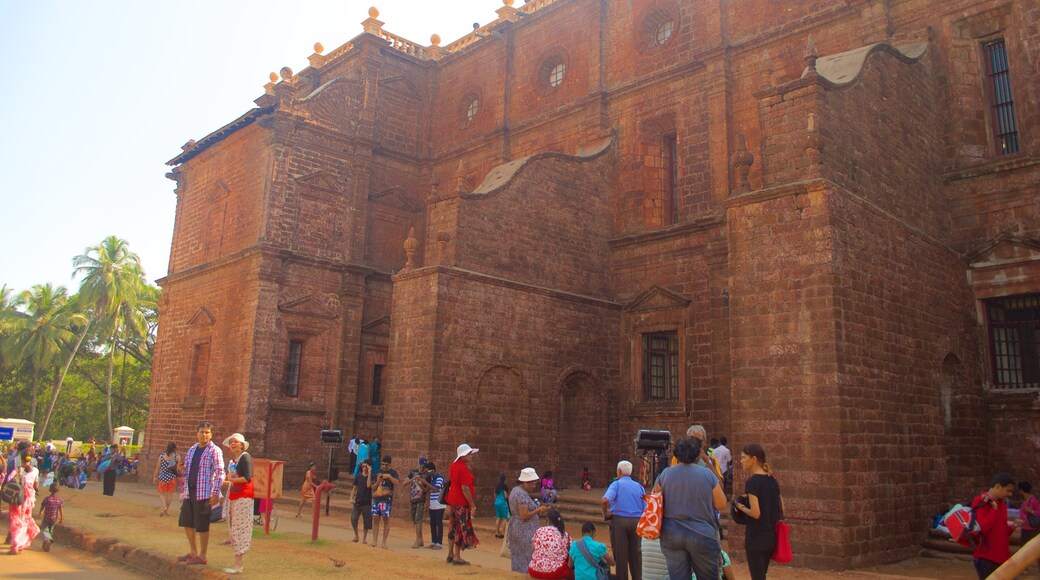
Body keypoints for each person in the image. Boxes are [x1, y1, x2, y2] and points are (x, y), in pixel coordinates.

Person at [654, 435, 727, 580]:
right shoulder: (707, 475)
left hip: (672, 533)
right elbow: (721, 504)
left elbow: (656, 501)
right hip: (702, 533)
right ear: (696, 455)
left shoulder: (666, 475)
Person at [176, 422, 225, 567]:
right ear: (196, 434)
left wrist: (215, 492)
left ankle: (202, 555)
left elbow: (220, 472)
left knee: (202, 525)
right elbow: (188, 470)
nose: (204, 435)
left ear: (211, 435)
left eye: (207, 432)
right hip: (189, 492)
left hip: (204, 492)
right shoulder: (192, 450)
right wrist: (180, 470)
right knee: (187, 522)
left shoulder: (214, 451)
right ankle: (193, 551)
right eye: (202, 432)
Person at [733, 443, 783, 580]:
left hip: (756, 537)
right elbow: (781, 508)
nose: (741, 461)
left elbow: (756, 513)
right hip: (770, 537)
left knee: (757, 577)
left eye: (744, 457)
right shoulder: (772, 479)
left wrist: (740, 506)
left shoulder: (752, 482)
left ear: (753, 459)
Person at [601, 460, 646, 580]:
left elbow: (605, 500)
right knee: (636, 556)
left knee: (621, 557)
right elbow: (645, 507)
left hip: (620, 521)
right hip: (636, 522)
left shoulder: (617, 484)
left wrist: (606, 512)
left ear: (619, 471)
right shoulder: (639, 486)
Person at [969, 473, 1018, 579]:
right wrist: (994, 509)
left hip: (1002, 557)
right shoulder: (980, 501)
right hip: (987, 558)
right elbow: (983, 528)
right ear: (998, 487)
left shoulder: (1002, 504)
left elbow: (1001, 531)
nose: (1009, 494)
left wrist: (1012, 526)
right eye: (1008, 490)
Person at [221, 433, 252, 575]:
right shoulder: (235, 459)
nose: (233, 444)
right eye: (231, 442)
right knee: (234, 527)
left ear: (242, 444)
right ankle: (237, 562)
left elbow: (247, 477)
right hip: (235, 495)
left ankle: (238, 564)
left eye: (236, 442)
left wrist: (231, 479)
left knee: (239, 528)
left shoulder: (245, 457)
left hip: (243, 496)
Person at [510, 467, 550, 573]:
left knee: (519, 557)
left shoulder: (516, 491)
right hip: (524, 531)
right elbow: (524, 516)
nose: (534, 486)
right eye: (532, 484)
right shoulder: (520, 494)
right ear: (526, 483)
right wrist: (538, 510)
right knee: (527, 557)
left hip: (518, 529)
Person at [445, 443, 479, 566]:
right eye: (469, 454)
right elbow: (465, 488)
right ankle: (457, 557)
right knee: (460, 527)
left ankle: (450, 553)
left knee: (453, 526)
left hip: (453, 500)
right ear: (463, 455)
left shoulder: (453, 466)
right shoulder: (463, 468)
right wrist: (472, 505)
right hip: (461, 501)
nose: (471, 456)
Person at [7, 452, 40, 554]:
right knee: (25, 519)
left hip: (17, 500)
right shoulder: (35, 471)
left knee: (16, 521)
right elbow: (36, 485)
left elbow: (9, 481)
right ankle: (21, 543)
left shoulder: (17, 471)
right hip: (29, 500)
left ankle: (16, 545)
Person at [529, 508, 574, 579]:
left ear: (548, 520)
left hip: (534, 570)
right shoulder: (565, 535)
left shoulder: (539, 531)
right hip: (555, 572)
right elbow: (571, 554)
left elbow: (533, 550)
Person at [370, 455, 400, 549]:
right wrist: (378, 480)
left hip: (386, 500)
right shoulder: (378, 472)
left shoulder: (393, 473)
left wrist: (389, 477)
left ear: (389, 464)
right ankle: (374, 540)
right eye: (382, 464)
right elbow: (373, 488)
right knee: (375, 519)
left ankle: (384, 542)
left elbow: (397, 483)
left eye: (386, 465)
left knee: (386, 519)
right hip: (377, 498)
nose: (384, 466)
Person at [153, 442, 180, 516]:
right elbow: (178, 468)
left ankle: (164, 506)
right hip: (171, 477)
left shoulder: (162, 456)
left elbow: (158, 467)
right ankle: (166, 510)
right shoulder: (176, 457)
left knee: (161, 493)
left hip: (162, 477)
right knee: (169, 494)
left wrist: (155, 476)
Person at [406, 458, 429, 548]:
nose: (423, 468)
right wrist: (412, 479)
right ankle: (421, 539)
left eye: (424, 467)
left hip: (421, 499)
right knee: (415, 520)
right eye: (421, 466)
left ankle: (417, 540)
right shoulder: (413, 472)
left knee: (418, 518)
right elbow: (405, 482)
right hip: (413, 498)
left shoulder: (426, 475)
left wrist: (420, 484)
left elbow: (426, 489)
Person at [1019, 481, 1040, 577]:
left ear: (1021, 490)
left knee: (1036, 550)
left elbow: (1039, 513)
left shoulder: (1033, 500)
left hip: (1032, 529)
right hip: (1025, 528)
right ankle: (1024, 568)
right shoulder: (1024, 501)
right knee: (1023, 549)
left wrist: (1030, 510)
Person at [351, 459, 374, 544]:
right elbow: (354, 488)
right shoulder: (358, 476)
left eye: (366, 466)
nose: (364, 468)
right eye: (363, 466)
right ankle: (356, 535)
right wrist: (351, 497)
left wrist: (369, 473)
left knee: (367, 520)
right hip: (358, 500)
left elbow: (368, 485)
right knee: (353, 519)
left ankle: (364, 538)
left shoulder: (372, 477)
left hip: (366, 501)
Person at [425, 461, 446, 550]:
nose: (427, 473)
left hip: (439, 504)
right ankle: (434, 541)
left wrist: (425, 483)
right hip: (433, 504)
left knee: (438, 523)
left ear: (432, 470)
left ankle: (439, 543)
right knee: (432, 523)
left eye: (427, 471)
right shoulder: (432, 478)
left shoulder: (439, 478)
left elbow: (436, 489)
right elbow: (427, 490)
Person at [38, 482, 64, 552]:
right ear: (58, 490)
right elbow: (61, 510)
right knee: (50, 530)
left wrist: (40, 512)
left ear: (49, 490)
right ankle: (45, 544)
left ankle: (48, 540)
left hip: (46, 517)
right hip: (54, 518)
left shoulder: (47, 499)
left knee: (44, 530)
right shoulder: (59, 500)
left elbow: (42, 506)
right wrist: (61, 518)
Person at [494, 472, 509, 539]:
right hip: (503, 502)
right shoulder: (505, 486)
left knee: (498, 517)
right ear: (505, 479)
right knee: (505, 518)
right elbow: (506, 496)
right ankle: (503, 533)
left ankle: (497, 533)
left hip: (497, 502)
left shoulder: (497, 486)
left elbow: (495, 494)